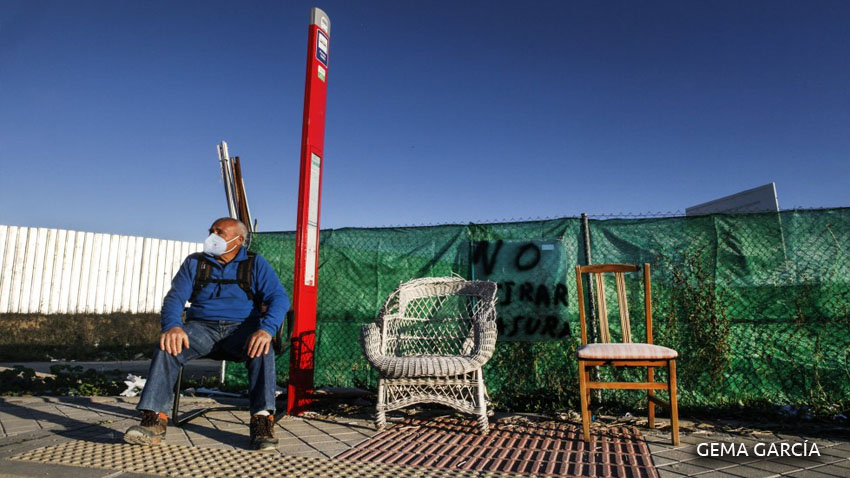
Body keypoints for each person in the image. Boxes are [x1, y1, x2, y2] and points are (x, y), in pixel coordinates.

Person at [124, 217, 290, 450]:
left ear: (238, 240)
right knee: (167, 346)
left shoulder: (256, 263)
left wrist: (266, 329)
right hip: (201, 328)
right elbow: (174, 298)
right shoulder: (195, 262)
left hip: (241, 329)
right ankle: (154, 420)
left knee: (264, 349)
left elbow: (279, 298)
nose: (212, 236)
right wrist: (172, 326)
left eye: (219, 232)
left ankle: (262, 421)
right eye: (211, 231)